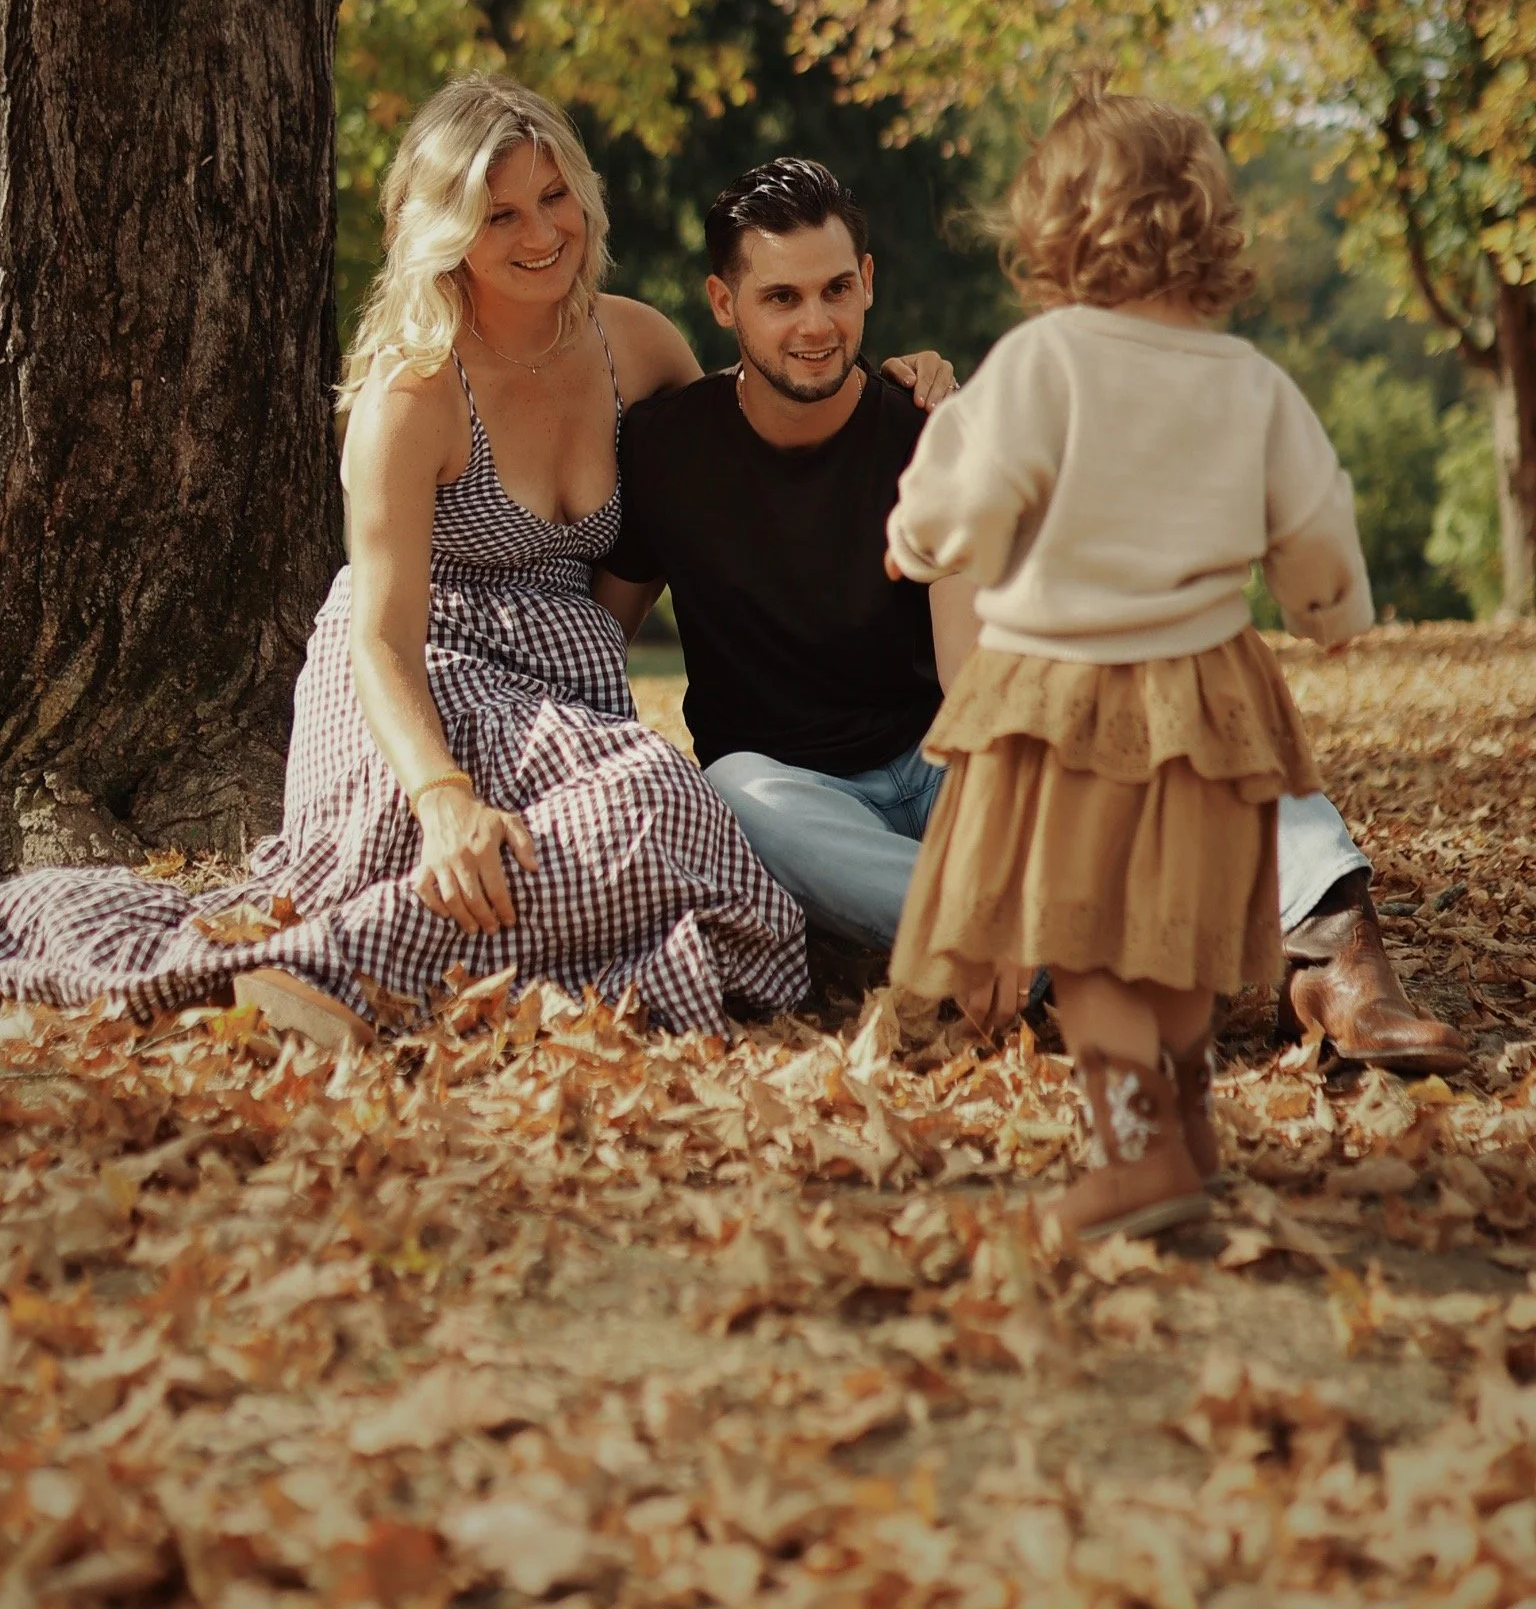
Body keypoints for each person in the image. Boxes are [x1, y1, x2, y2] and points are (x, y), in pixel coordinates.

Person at [599, 155, 1467, 1075]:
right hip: (806, 802)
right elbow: (598, 633)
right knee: (736, 791)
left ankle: (1338, 962)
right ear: (723, 303)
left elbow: (974, 675)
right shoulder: (667, 452)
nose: (816, 324)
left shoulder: (936, 432)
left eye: (836, 289)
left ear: (868, 284)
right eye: (781, 298)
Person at [0, 78, 811, 1042]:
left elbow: (756, 430)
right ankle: (337, 969)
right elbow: (381, 643)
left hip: (561, 710)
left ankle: (318, 973)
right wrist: (442, 799)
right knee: (650, 804)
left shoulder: (635, 345)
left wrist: (889, 386)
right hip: (420, 699)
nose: (541, 231)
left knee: (672, 823)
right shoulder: (415, 390)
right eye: (498, 212)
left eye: (553, 197)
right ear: (448, 230)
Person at [883, 86, 1381, 1238]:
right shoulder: (1248, 379)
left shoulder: (1043, 361)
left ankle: (1134, 1147)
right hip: (1208, 688)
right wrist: (1329, 611)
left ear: (1054, 228)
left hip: (1065, 692)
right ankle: (1188, 1124)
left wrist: (917, 542)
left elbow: (972, 491)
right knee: (1171, 919)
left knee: (1084, 934)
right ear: (1205, 224)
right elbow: (1311, 519)